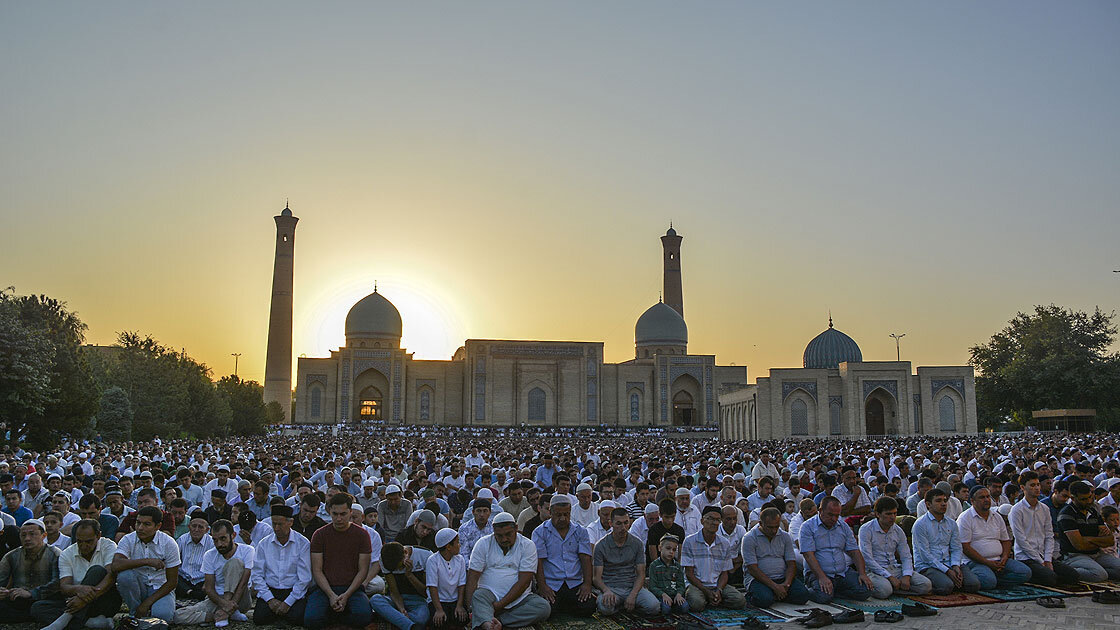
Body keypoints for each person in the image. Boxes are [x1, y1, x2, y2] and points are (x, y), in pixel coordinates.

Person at [465, 511, 550, 630]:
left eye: (508, 534)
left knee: (543, 607)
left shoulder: (527, 545)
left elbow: (524, 582)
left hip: (519, 600)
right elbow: (472, 577)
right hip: (488, 596)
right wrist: (471, 609)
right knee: (478, 596)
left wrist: (499, 606)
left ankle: (496, 621)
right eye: (499, 535)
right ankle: (489, 625)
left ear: (516, 528)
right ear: (493, 532)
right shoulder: (483, 543)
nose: (504, 539)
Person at [34, 518, 120, 630]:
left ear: (98, 536)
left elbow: (111, 576)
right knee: (37, 608)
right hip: (75, 601)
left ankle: (66, 618)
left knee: (97, 571)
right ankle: (91, 623)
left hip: (103, 598)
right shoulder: (67, 553)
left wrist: (82, 600)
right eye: (80, 541)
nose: (84, 546)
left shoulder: (108, 546)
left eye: (88, 541)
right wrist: (80, 590)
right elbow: (65, 586)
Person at [305, 493, 373, 629]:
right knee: (311, 619)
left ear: (350, 512)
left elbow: (363, 570)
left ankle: (336, 616)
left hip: (352, 588)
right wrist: (331, 595)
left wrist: (347, 595)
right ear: (329, 512)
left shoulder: (362, 535)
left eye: (343, 514)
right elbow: (317, 569)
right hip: (324, 588)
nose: (339, 518)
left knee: (364, 616)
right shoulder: (320, 535)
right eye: (335, 514)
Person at [173, 519, 254, 626]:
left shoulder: (247, 550)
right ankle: (219, 616)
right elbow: (209, 588)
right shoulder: (209, 555)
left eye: (223, 539)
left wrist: (229, 605)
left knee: (235, 563)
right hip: (217, 600)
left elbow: (244, 583)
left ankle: (229, 611)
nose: (219, 544)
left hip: (240, 599)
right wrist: (223, 606)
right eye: (215, 540)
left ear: (233, 535)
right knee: (179, 616)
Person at [1009, 470, 1079, 587]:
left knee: (1073, 575)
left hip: (1043, 554)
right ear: (1022, 487)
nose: (1036, 488)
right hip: (1026, 557)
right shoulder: (1017, 510)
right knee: (1050, 578)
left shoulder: (1044, 508)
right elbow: (1021, 540)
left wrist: (1047, 559)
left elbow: (1049, 535)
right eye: (1032, 485)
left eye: (1037, 485)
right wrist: (1041, 561)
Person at [112, 505, 181, 622]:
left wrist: (147, 603)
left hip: (160, 587)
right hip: (138, 586)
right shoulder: (128, 539)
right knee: (124, 576)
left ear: (158, 526)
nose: (140, 528)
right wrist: (147, 561)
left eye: (146, 524)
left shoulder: (169, 543)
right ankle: (135, 613)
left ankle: (145, 610)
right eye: (138, 523)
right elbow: (115, 565)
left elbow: (172, 582)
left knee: (163, 618)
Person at [798, 496, 873, 603]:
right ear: (820, 511)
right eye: (830, 515)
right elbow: (809, 555)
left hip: (841, 572)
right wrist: (822, 577)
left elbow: (854, 551)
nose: (834, 519)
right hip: (818, 573)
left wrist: (862, 573)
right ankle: (820, 590)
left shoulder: (843, 526)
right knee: (823, 596)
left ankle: (833, 591)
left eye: (837, 515)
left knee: (866, 589)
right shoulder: (807, 527)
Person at [532, 494, 595, 618]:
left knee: (590, 606)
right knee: (547, 609)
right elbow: (538, 562)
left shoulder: (580, 531)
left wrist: (587, 584)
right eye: (558, 515)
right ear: (550, 512)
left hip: (574, 582)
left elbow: (585, 559)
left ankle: (566, 605)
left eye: (566, 514)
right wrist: (543, 586)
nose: (562, 518)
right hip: (552, 584)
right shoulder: (540, 532)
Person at [957, 486, 1031, 590]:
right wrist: (987, 563)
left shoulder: (996, 516)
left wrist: (1004, 558)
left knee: (1025, 572)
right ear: (972, 501)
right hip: (975, 562)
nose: (986, 500)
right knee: (989, 581)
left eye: (988, 497)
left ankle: (995, 579)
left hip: (998, 560)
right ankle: (991, 579)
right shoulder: (965, 518)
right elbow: (965, 547)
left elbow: (1006, 540)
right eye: (982, 497)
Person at [857, 497, 932, 599]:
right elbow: (868, 559)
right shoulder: (866, 529)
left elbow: (906, 556)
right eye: (888, 514)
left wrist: (906, 575)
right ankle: (895, 588)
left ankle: (897, 588)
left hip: (894, 568)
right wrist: (889, 577)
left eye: (894, 513)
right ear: (878, 514)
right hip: (875, 571)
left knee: (926, 585)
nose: (892, 517)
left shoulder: (898, 530)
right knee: (885, 590)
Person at [250, 504, 311, 625]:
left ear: (290, 522)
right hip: (271, 590)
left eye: (280, 524)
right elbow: (257, 575)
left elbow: (304, 578)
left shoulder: (302, 543)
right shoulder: (264, 544)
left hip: (292, 590)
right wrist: (270, 599)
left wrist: (288, 602)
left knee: (297, 619)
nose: (276, 528)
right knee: (259, 619)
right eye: (274, 524)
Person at [912, 487, 980, 595]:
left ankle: (954, 582)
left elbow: (956, 547)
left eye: (945, 500)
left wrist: (956, 566)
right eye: (938, 501)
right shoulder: (920, 524)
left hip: (949, 562)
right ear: (928, 504)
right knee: (946, 586)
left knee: (974, 584)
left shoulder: (951, 523)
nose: (943, 504)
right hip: (929, 565)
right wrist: (947, 571)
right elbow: (925, 555)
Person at [591, 507, 658, 616]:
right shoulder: (601, 545)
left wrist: (633, 594)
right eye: (618, 523)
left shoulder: (637, 543)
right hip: (611, 588)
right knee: (605, 608)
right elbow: (596, 578)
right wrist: (606, 590)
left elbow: (641, 574)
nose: (623, 528)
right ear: (611, 523)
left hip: (631, 586)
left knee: (654, 606)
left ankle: (625, 605)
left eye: (626, 523)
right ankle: (622, 605)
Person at [682, 506, 747, 612]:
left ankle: (715, 598)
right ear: (702, 521)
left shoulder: (724, 543)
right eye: (710, 519)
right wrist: (706, 591)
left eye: (717, 520)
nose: (714, 523)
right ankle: (711, 598)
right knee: (696, 604)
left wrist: (719, 590)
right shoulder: (690, 542)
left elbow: (724, 573)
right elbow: (689, 573)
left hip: (716, 585)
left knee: (739, 600)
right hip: (697, 585)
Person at [742, 507, 808, 608]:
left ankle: (777, 594)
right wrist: (774, 586)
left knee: (803, 595)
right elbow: (752, 569)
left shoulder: (784, 536)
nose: (773, 531)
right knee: (765, 600)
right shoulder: (749, 538)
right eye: (770, 527)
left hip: (781, 577)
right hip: (758, 579)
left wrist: (787, 584)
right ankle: (772, 594)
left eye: (776, 527)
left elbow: (791, 563)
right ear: (760, 523)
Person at [1056, 480, 1120, 582]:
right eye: (1084, 499)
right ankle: (1064, 571)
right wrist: (1098, 540)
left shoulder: (1093, 511)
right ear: (1073, 498)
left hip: (1096, 554)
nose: (1089, 501)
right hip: (1074, 555)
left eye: (1090, 497)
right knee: (1098, 575)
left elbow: (1110, 540)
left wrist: (1088, 539)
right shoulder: (1067, 514)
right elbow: (1079, 545)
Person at [0, 519, 61, 622]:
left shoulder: (55, 554)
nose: (27, 539)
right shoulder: (11, 556)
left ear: (44, 535)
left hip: (45, 599)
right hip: (18, 599)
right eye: (23, 535)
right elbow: (1, 579)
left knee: (38, 608)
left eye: (32, 534)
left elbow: (57, 583)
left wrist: (31, 593)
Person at [371, 541, 433, 630]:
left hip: (418, 600)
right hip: (396, 600)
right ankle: (411, 626)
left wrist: (410, 575)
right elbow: (394, 591)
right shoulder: (384, 559)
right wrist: (402, 609)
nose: (400, 569)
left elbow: (425, 593)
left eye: (400, 566)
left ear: (406, 553)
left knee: (421, 618)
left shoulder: (426, 555)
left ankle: (395, 619)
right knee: (375, 599)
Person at [426, 528, 468, 630]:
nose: (459, 545)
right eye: (457, 543)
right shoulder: (433, 560)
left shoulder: (460, 559)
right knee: (439, 622)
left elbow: (461, 584)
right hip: (439, 601)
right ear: (448, 547)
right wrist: (439, 610)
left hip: (454, 600)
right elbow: (432, 587)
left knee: (461, 619)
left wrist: (459, 605)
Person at [648, 534, 689, 615]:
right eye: (668, 548)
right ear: (660, 548)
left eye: (674, 550)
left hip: (675, 594)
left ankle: (674, 607)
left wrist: (679, 594)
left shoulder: (677, 566)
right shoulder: (654, 565)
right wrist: (663, 594)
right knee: (665, 609)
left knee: (685, 607)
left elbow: (681, 584)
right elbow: (652, 586)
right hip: (662, 596)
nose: (671, 552)